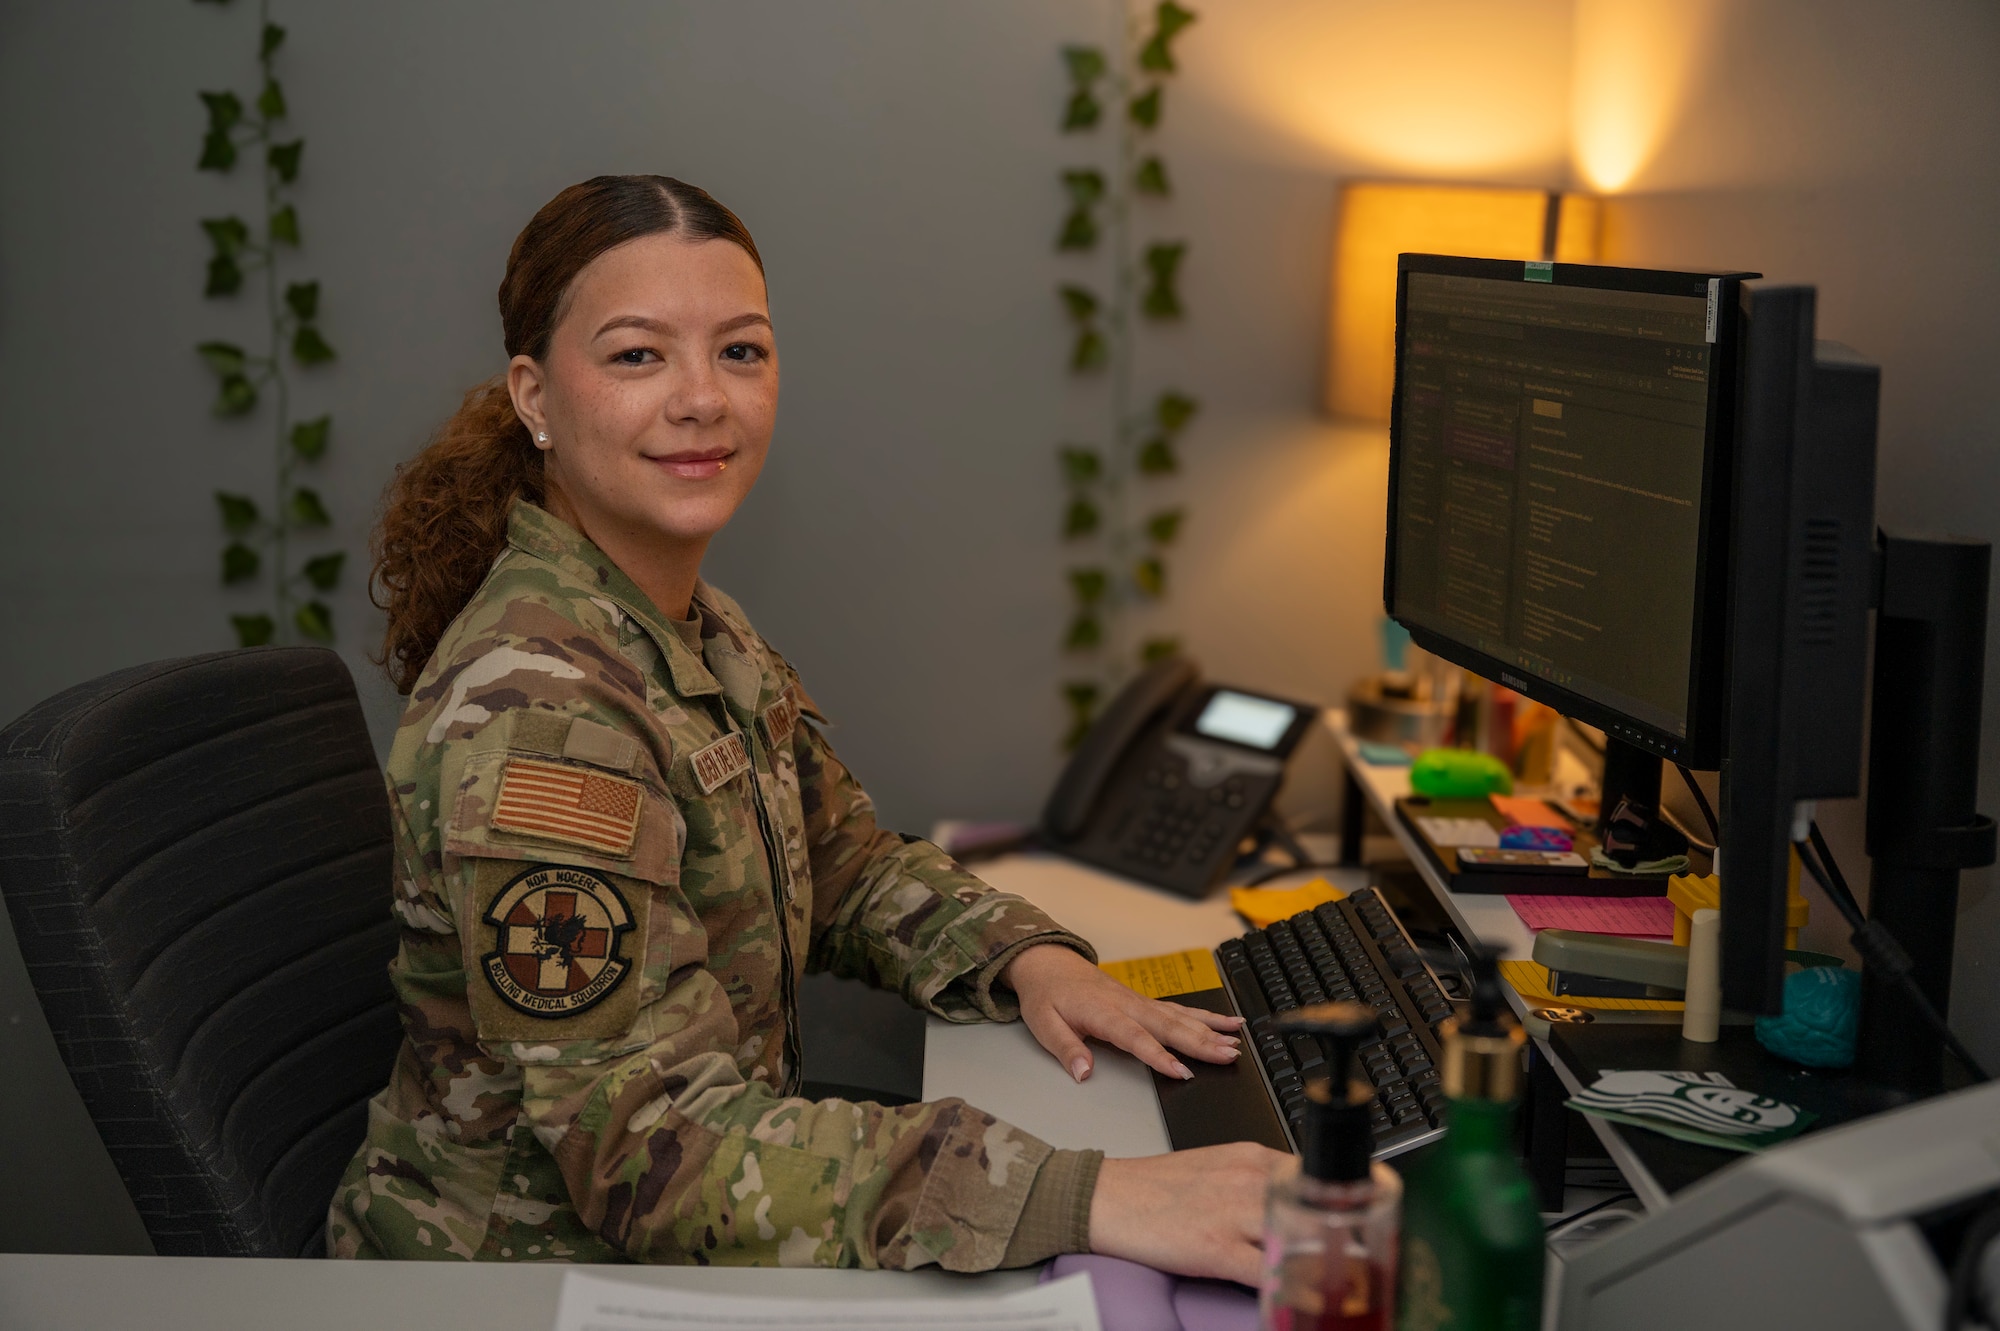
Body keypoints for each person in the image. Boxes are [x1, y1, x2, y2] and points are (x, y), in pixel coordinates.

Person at [329, 174, 1285, 1280]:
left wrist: (1023, 956)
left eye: (740, 351)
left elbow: (844, 867)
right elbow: (652, 1151)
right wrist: (1086, 1191)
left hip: (677, 1245)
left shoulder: (682, 625)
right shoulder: (547, 710)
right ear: (536, 395)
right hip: (527, 1280)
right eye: (638, 355)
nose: (703, 399)